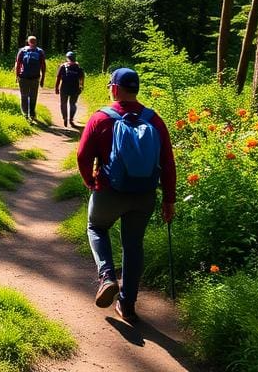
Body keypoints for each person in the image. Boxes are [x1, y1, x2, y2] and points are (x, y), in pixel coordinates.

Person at [76, 67, 176, 323]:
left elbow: (83, 156)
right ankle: (127, 304)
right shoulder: (154, 120)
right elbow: (167, 162)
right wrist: (169, 200)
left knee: (96, 227)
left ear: (115, 88)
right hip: (144, 194)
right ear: (136, 89)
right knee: (133, 246)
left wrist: (90, 181)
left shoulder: (101, 118)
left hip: (109, 190)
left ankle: (107, 276)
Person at [13, 35, 46, 122]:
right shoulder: (40, 52)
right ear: (36, 42)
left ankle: (25, 114)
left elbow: (18, 65)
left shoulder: (22, 51)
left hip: (23, 77)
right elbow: (43, 66)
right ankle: (32, 114)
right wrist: (42, 78)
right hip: (35, 77)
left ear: (28, 42)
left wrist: (17, 76)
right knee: (33, 96)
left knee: (24, 96)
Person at [54, 51, 85, 128]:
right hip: (75, 88)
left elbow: (58, 78)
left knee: (63, 103)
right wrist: (81, 87)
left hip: (64, 87)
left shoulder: (63, 66)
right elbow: (81, 79)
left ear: (67, 58)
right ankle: (71, 119)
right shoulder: (78, 67)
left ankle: (65, 117)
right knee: (73, 104)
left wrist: (56, 87)